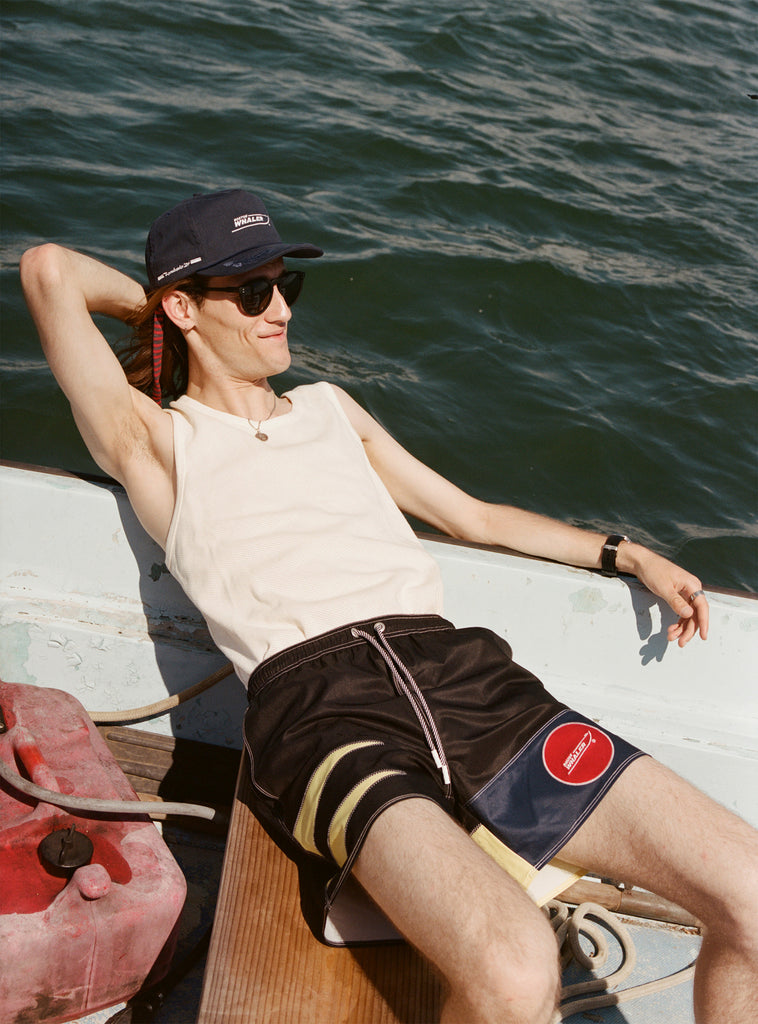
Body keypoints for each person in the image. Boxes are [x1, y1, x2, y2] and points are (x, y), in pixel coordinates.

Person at [21, 188, 757, 1024]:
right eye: (252, 292)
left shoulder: (332, 410)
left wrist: (627, 554)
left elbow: (471, 517)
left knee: (753, 894)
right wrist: (159, 311)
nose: (279, 313)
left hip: (464, 674)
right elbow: (49, 271)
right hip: (321, 712)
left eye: (285, 288)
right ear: (186, 306)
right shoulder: (155, 440)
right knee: (515, 971)